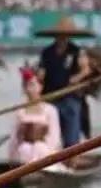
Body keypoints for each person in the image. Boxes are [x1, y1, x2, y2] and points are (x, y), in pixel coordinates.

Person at [34, 17, 94, 150]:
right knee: (49, 134)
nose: (63, 38)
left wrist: (76, 78)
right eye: (60, 35)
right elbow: (41, 71)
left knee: (71, 136)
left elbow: (86, 70)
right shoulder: (47, 52)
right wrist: (38, 79)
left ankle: (72, 156)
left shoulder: (77, 51)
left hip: (69, 97)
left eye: (65, 35)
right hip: (50, 96)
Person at [7, 66, 68, 170]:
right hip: (24, 152)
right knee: (24, 149)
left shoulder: (50, 110)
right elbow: (14, 139)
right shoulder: (20, 112)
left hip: (44, 152)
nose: (30, 89)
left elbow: (54, 137)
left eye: (33, 85)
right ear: (24, 89)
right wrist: (11, 158)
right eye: (27, 86)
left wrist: (44, 150)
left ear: (40, 87)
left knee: (40, 149)